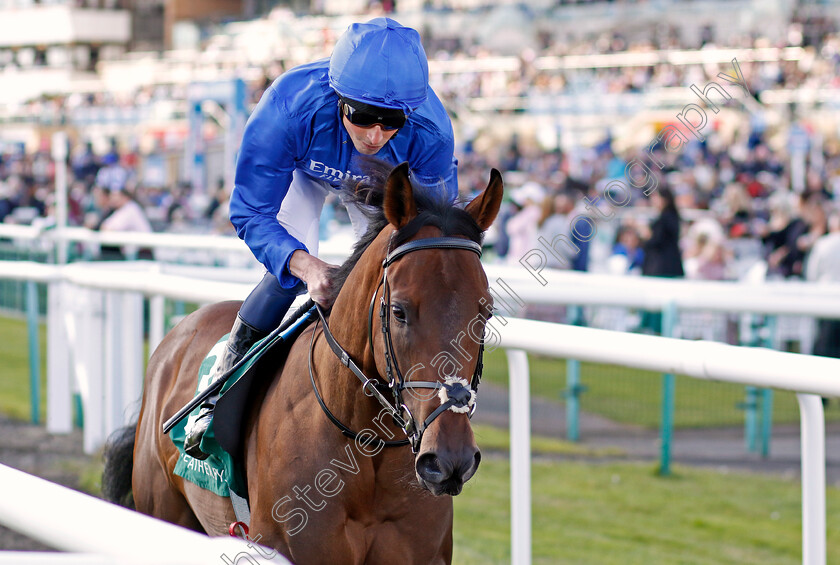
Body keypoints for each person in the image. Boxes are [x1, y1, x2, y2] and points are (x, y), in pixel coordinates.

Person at [184, 18, 458, 459]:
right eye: (363, 116)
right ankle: (225, 376)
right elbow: (251, 211)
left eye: (391, 121)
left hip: (380, 187)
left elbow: (431, 237)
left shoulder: (431, 134)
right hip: (304, 171)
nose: (374, 135)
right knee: (289, 270)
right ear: (337, 98)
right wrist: (305, 265)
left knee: (394, 276)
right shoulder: (287, 107)